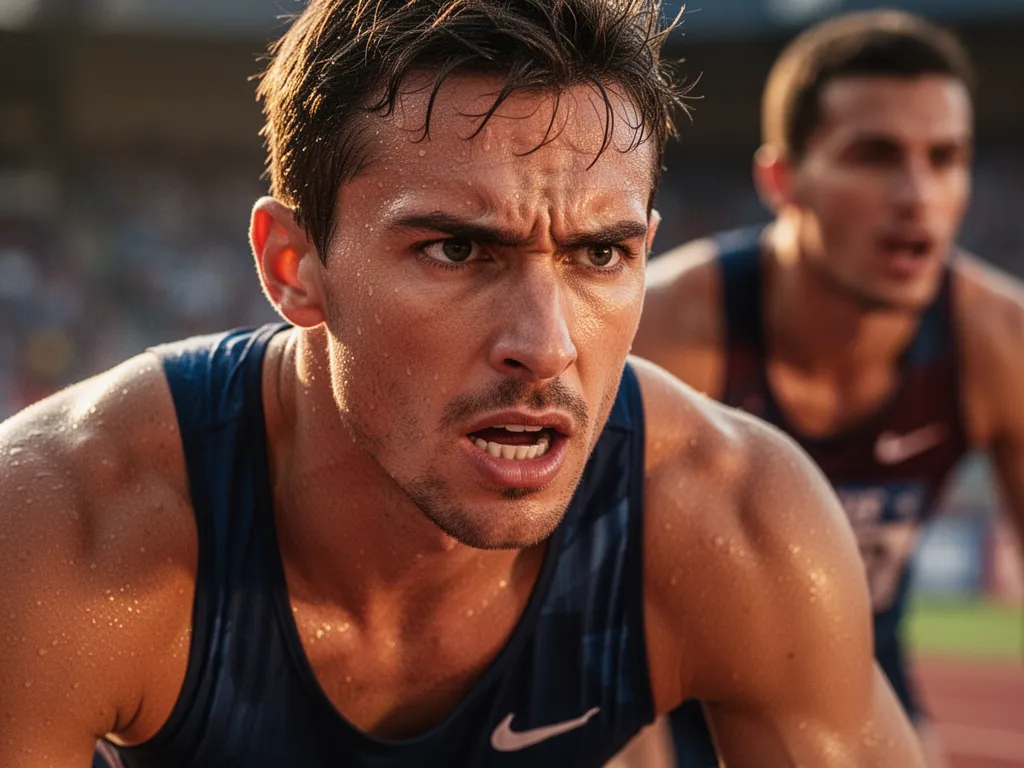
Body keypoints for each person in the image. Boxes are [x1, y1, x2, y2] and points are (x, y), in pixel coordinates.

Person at [1, 2, 924, 766]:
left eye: (600, 253)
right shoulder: (67, 528)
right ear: (293, 265)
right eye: (456, 248)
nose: (547, 346)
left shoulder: (738, 522)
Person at [632, 9, 1024, 767]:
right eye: (875, 155)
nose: (917, 195)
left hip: (859, 670)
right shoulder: (671, 328)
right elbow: (583, 601)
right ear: (782, 179)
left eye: (945, 158)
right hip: (667, 683)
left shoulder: (999, 343)